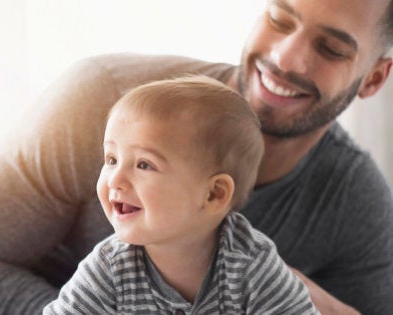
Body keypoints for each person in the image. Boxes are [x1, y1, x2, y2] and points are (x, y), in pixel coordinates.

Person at [0, 0, 391, 314]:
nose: (286, 58)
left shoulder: (353, 206)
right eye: (281, 18)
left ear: (373, 78)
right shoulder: (108, 94)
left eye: (332, 48)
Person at [43, 76, 318, 314]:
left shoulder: (252, 267)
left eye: (144, 165)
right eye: (112, 159)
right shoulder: (110, 268)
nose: (115, 178)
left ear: (213, 194)